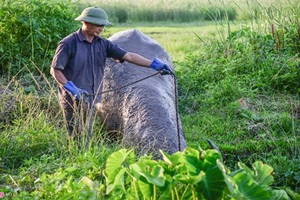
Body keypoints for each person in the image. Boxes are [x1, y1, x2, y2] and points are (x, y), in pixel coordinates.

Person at [50, 7, 172, 138]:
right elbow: (55, 70)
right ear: (86, 23)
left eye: (103, 25)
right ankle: (73, 156)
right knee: (75, 134)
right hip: (72, 97)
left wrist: (153, 64)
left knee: (87, 134)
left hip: (91, 97)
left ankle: (84, 156)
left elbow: (129, 56)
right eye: (98, 25)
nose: (101, 28)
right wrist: (71, 88)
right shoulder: (68, 43)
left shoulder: (103, 44)